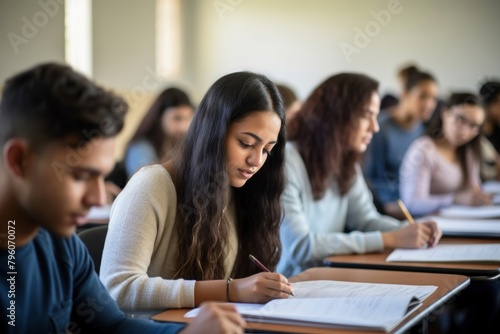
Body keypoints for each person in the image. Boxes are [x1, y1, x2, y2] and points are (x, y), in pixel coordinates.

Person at [0, 63, 245, 334]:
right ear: (19, 160)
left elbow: (112, 326)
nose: (97, 198)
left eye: (102, 177)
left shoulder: (63, 244)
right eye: (80, 175)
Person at [100, 71, 292, 311]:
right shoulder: (152, 185)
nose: (256, 160)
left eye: (267, 150)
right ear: (213, 132)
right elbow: (117, 288)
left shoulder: (240, 191)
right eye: (246, 144)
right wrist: (230, 290)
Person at [276, 73, 441, 277]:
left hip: (329, 277)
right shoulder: (287, 162)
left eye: (376, 115)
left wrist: (410, 229)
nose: (375, 126)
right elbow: (300, 247)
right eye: (366, 115)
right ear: (336, 115)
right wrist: (388, 239)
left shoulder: (345, 161)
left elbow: (367, 220)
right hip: (293, 285)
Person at [399, 93, 492, 216]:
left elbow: (474, 188)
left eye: (474, 125)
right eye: (461, 119)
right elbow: (411, 204)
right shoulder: (423, 150)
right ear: (445, 113)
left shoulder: (468, 151)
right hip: (430, 227)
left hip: (462, 221)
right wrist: (455, 199)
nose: (465, 130)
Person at [363, 68, 439, 218]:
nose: (429, 104)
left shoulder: (423, 129)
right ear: (405, 94)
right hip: (391, 208)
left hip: (417, 203)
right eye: (423, 96)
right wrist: (390, 205)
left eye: (433, 98)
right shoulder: (380, 129)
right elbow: (371, 179)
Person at [125, 87, 194, 177]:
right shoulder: (140, 148)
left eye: (187, 118)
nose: (183, 126)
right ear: (159, 117)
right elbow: (147, 183)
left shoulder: (182, 144)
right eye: (177, 118)